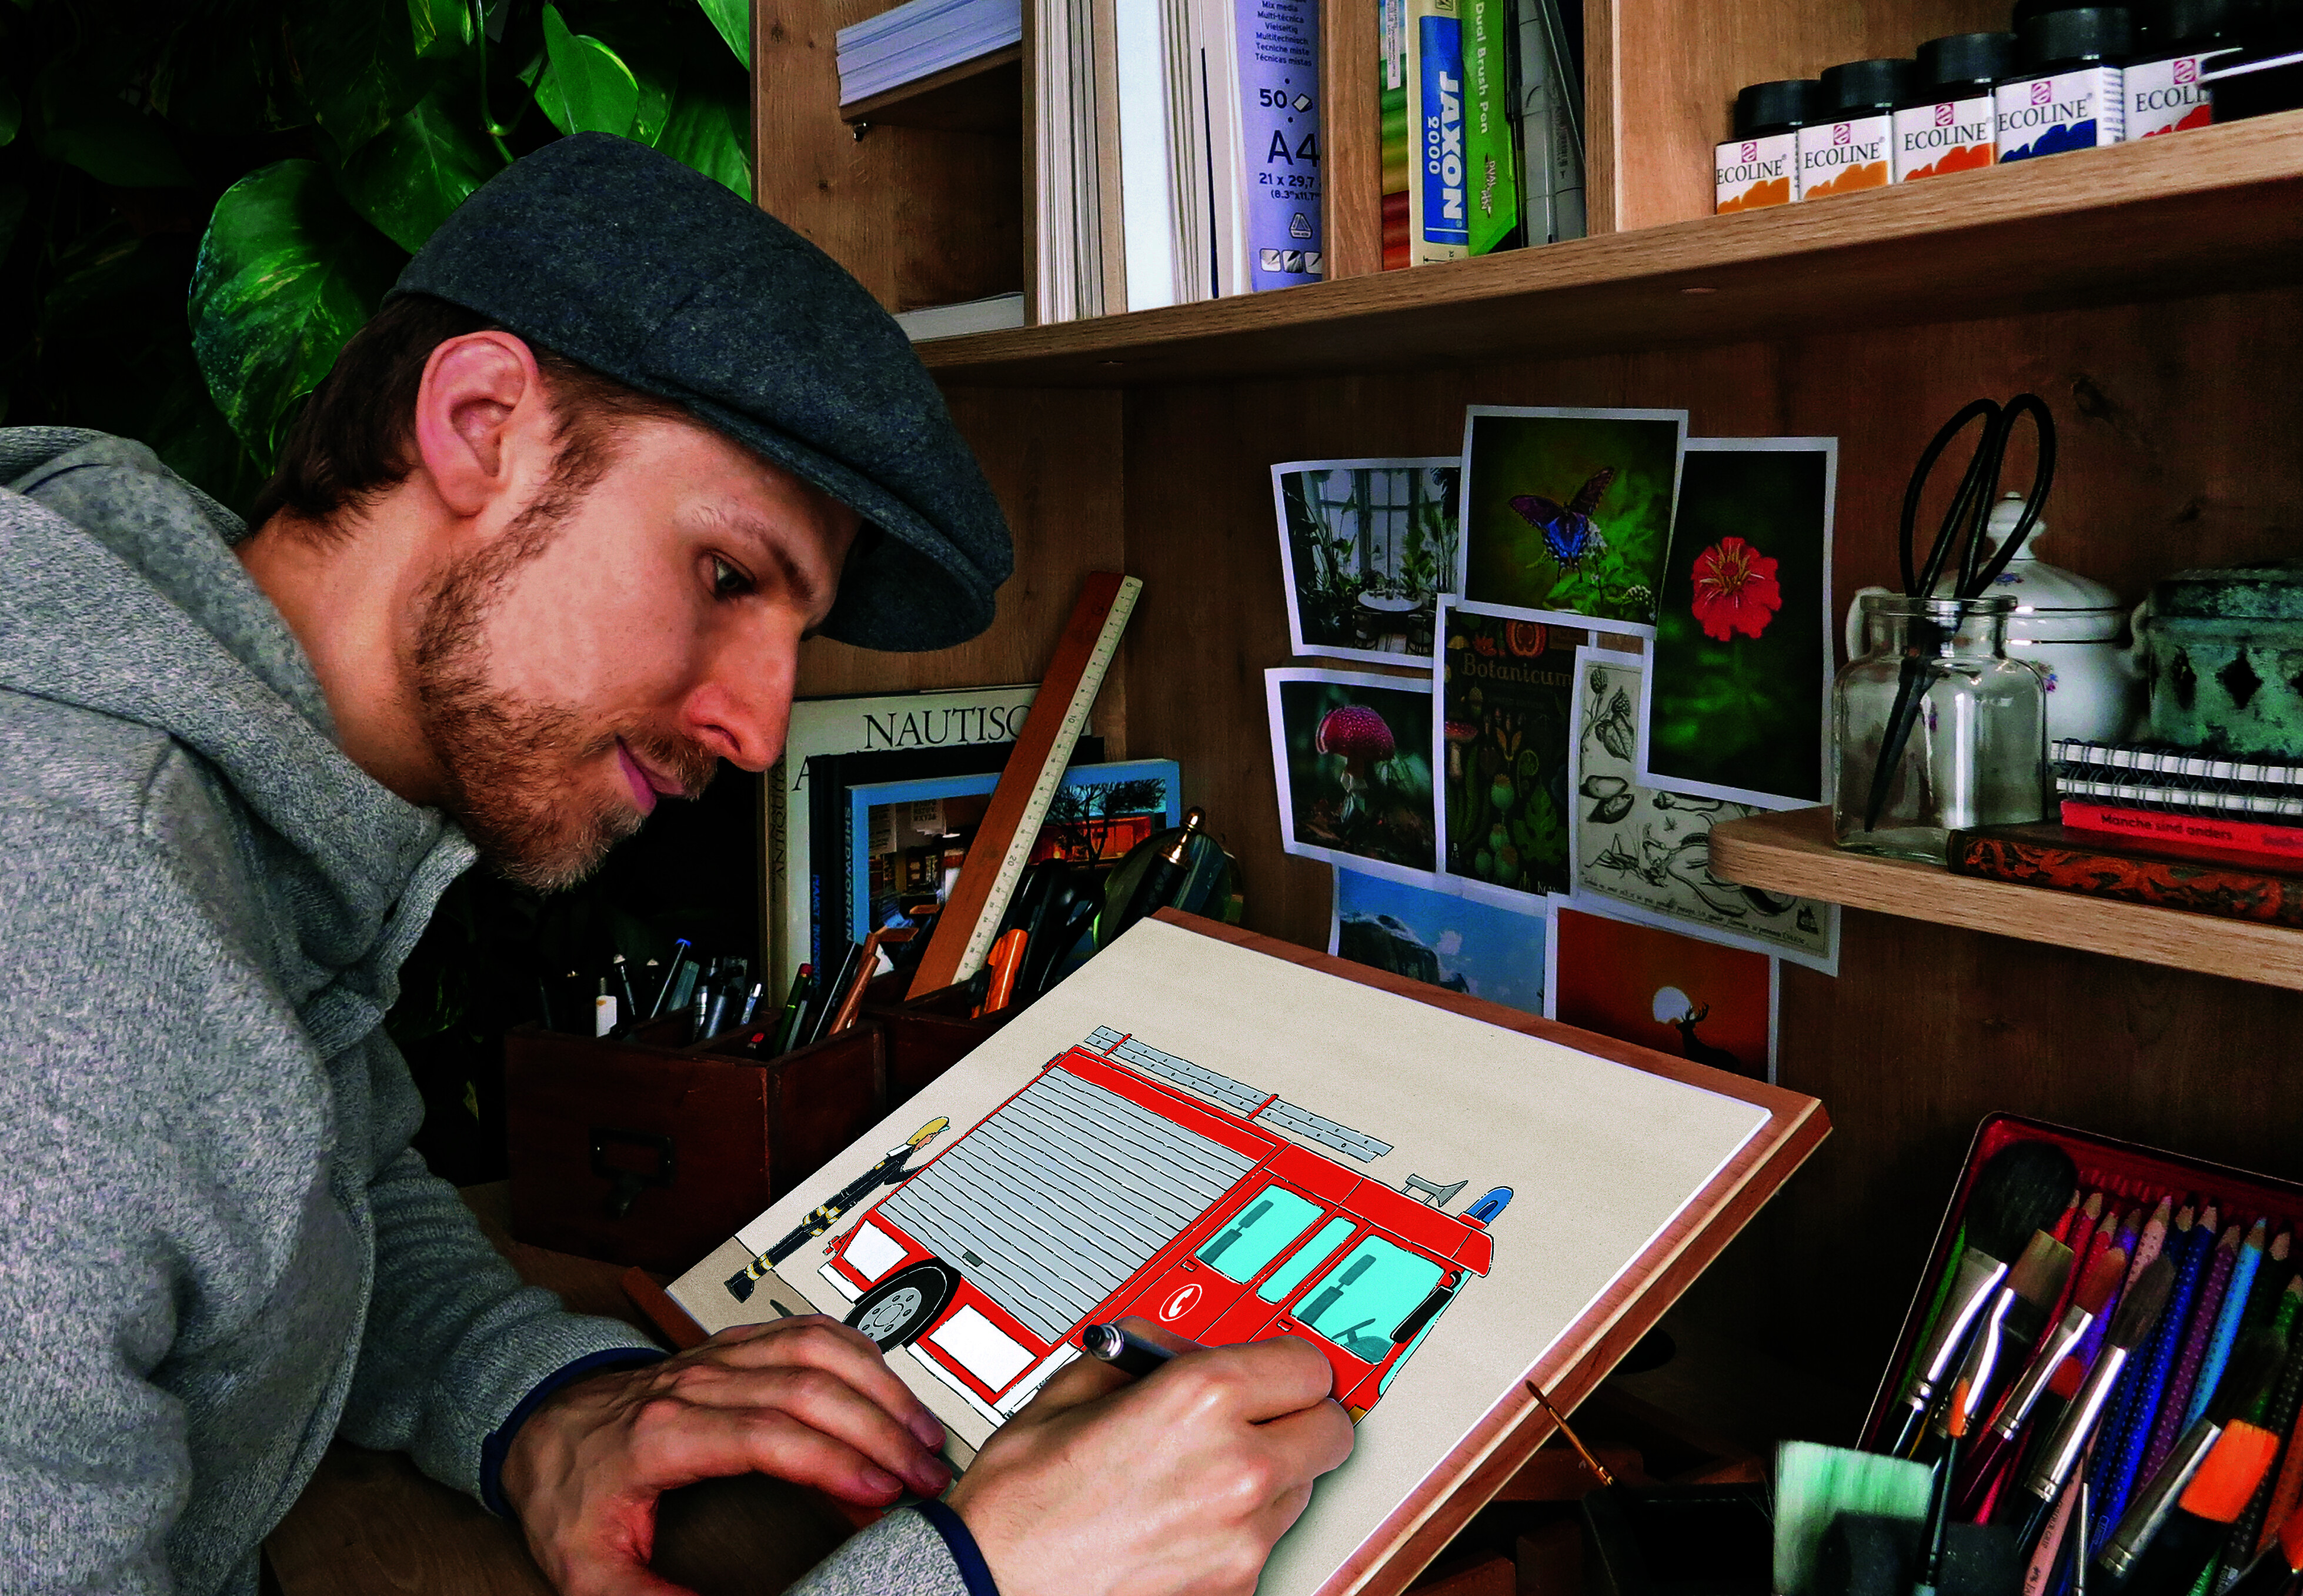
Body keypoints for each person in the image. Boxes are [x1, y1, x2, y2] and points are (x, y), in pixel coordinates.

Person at [0, 133, 1351, 1596]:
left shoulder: (232, 758)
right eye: (725, 574)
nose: (759, 729)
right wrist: (981, 1580)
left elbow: (303, 1180)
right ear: (478, 423)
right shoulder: (74, 915)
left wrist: (536, 1404)